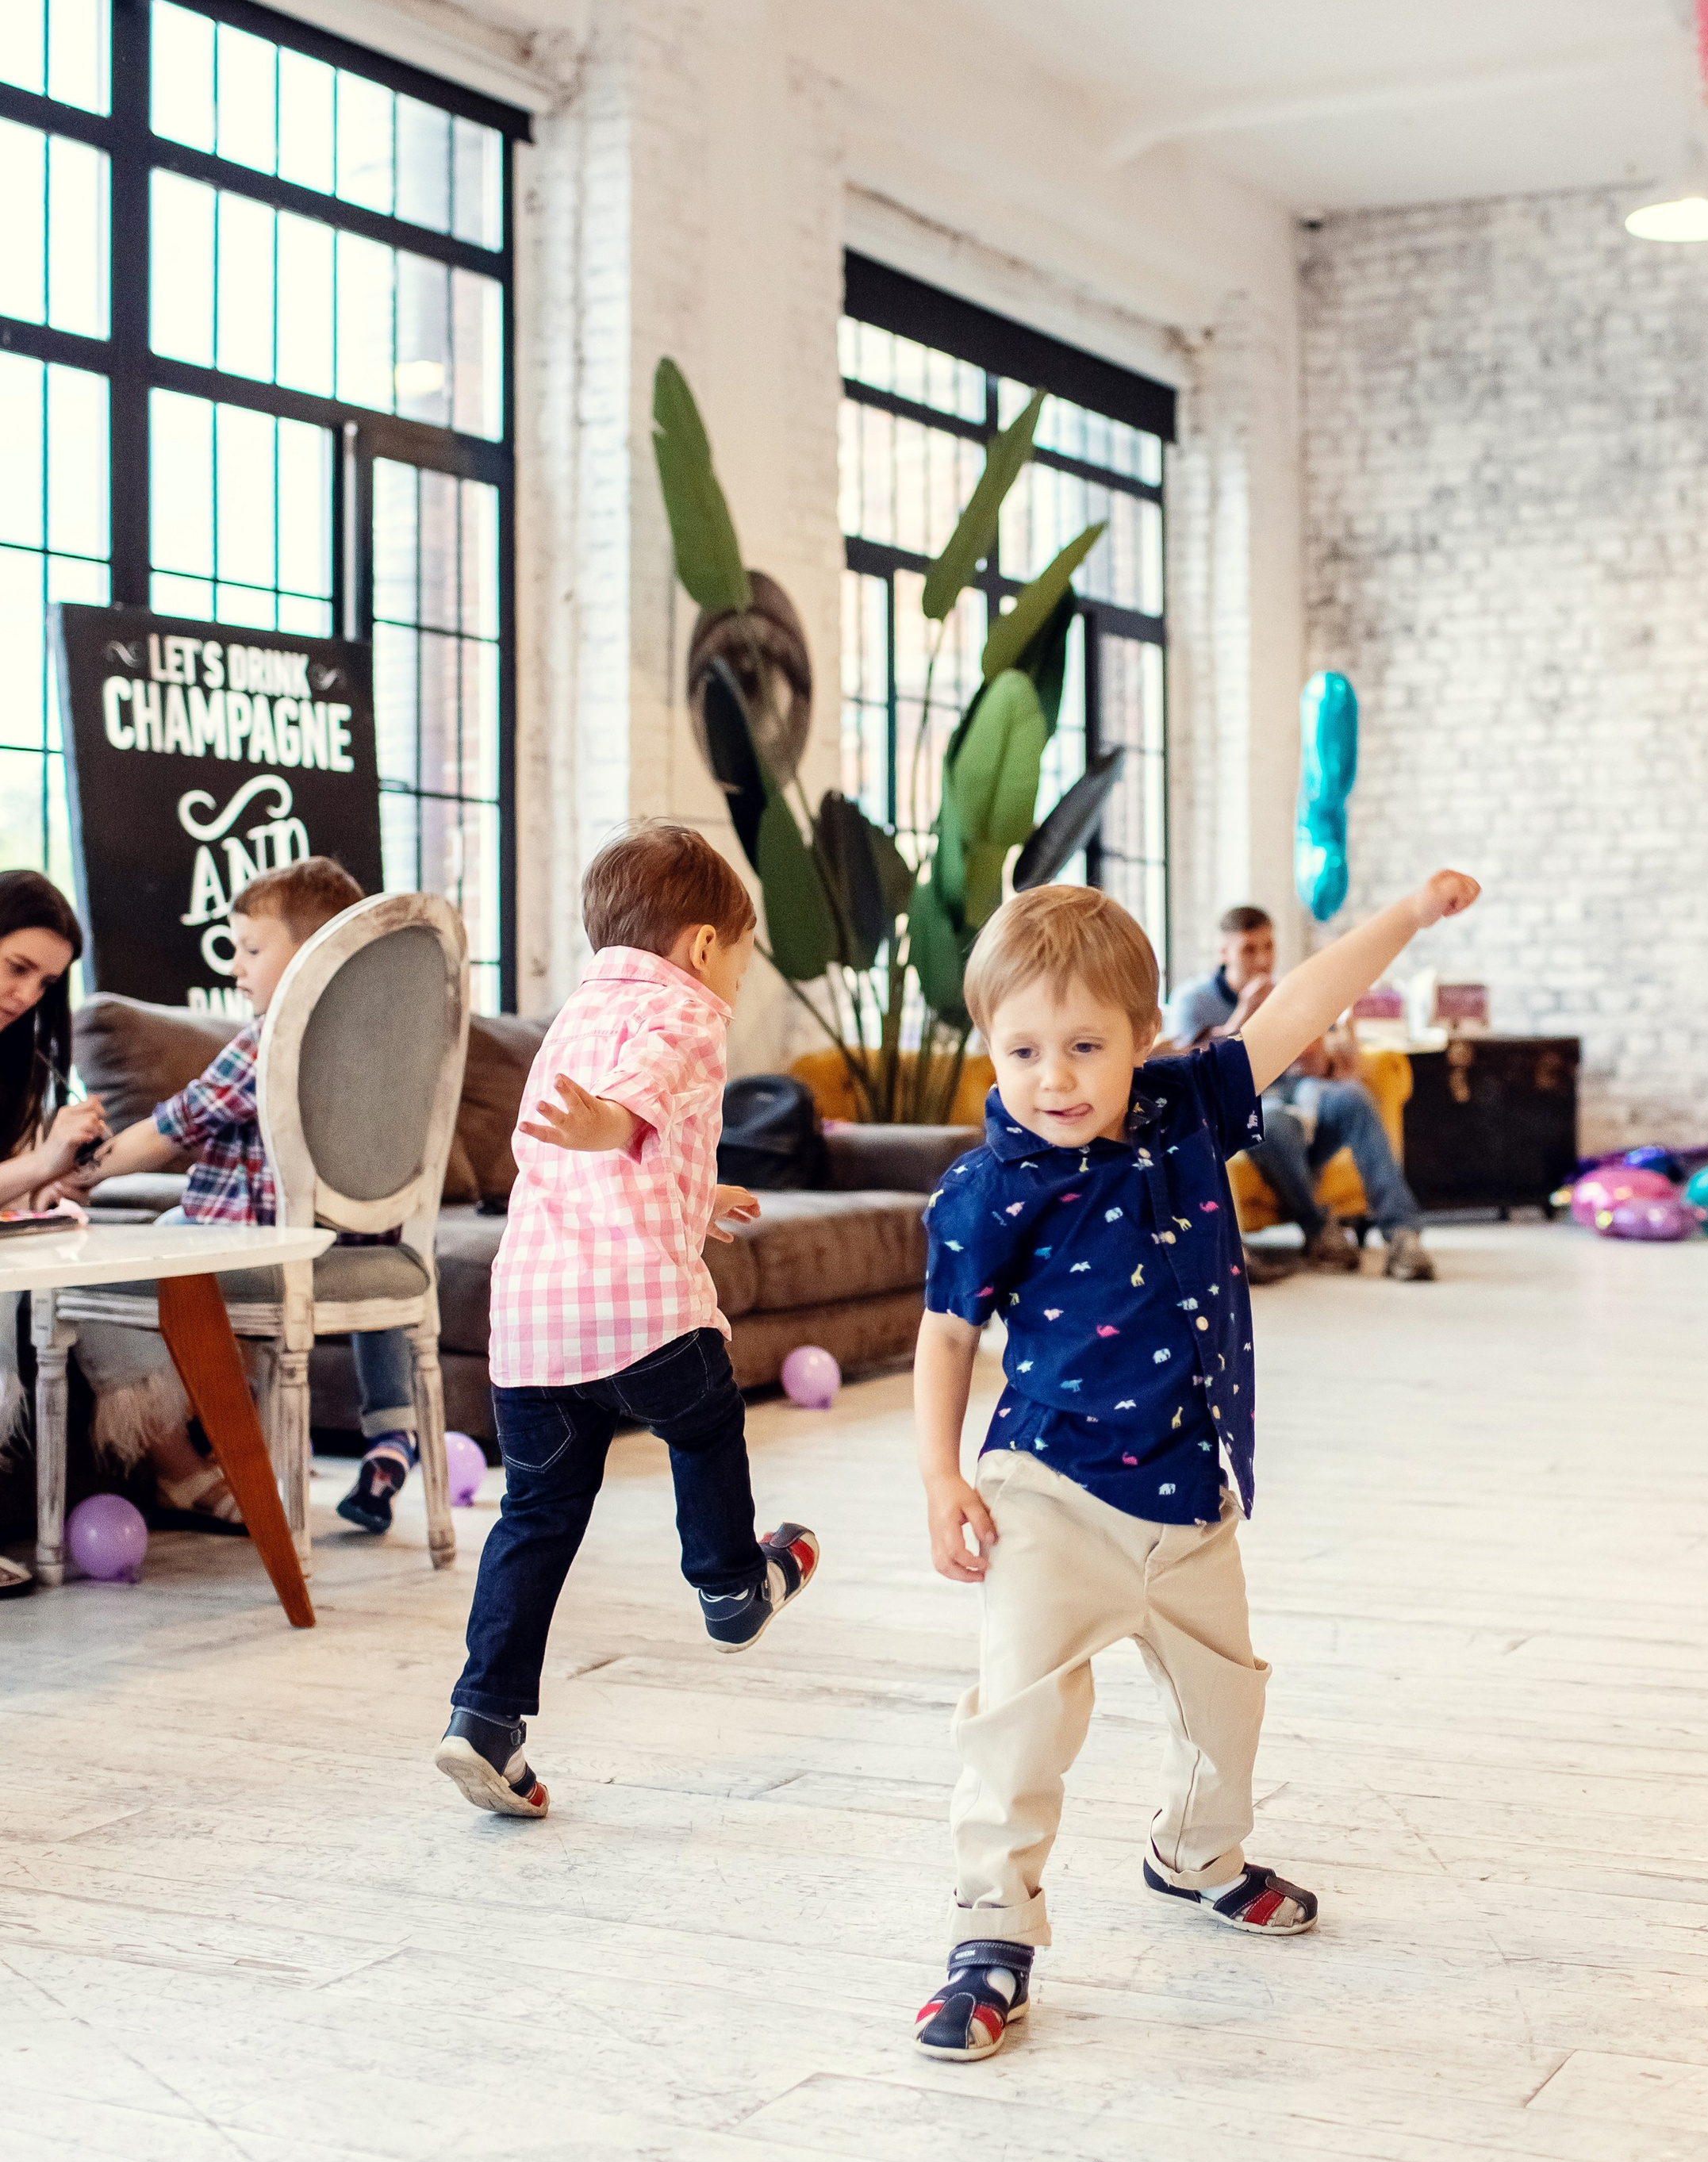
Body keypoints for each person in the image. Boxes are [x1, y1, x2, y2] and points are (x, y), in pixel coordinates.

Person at [909, 864, 1479, 2060]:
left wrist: (1408, 918)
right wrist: (940, 1476)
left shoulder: (1183, 1110)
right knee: (1016, 1718)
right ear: (988, 1049)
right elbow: (949, 1332)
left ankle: (1196, 1854)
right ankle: (990, 1930)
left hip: (1188, 1497)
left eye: (1083, 1046)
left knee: (1229, 1704)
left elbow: (1298, 1006)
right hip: (1049, 1497)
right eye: (1021, 1053)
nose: (1053, 1079)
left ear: (1141, 1039)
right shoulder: (987, 1188)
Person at [434, 823, 819, 1821]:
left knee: (537, 1518)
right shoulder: (684, 1014)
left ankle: (484, 1720)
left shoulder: (574, 1016)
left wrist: (704, 1193)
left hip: (530, 1329)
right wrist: (610, 1123)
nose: (734, 983)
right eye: (738, 960)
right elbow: (633, 1103)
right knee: (705, 1419)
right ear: (701, 947)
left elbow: (604, 1170)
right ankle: (733, 1585)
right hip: (642, 1318)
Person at [69, 858, 422, 1533]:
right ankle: (393, 1430)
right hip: (360, 1247)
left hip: (255, 1244)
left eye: (252, 950)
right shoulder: (387, 1049)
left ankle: (216, 1454)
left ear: (318, 956)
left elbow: (173, 1128)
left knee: (134, 1251)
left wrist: (83, 1170)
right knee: (384, 1258)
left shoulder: (272, 1041)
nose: (236, 968)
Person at [1166, 902, 1437, 1281]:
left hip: (1303, 1100)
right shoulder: (1193, 1002)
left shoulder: (1291, 993)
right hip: (1254, 1116)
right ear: (1224, 953)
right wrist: (1244, 1015)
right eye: (1249, 949)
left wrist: (1322, 1059)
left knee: (1352, 1098)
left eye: (1268, 947)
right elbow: (1186, 1072)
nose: (1262, 960)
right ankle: (1318, 1228)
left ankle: (1403, 1235)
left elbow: (1337, 1068)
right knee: (1268, 1118)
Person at [0, 871, 109, 1596]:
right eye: (17, 968)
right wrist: (37, 1163)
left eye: (44, 983)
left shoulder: (15, 1054)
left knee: (100, 1284)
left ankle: (187, 1471)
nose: (28, 995)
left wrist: (48, 1183)